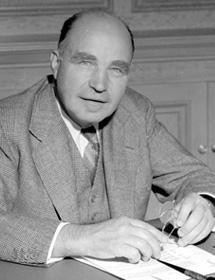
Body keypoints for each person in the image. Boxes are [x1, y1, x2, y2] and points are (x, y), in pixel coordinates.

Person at [0, 9, 215, 266]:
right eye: (85, 62)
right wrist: (80, 238)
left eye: (116, 69)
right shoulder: (8, 123)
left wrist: (203, 203)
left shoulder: (135, 113)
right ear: (56, 64)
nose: (100, 85)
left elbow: (194, 176)